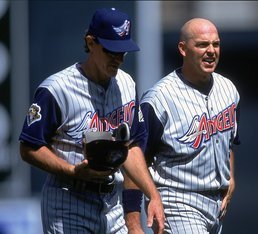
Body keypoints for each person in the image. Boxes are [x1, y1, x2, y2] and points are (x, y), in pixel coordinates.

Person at [19, 8, 164, 234]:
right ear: (91, 42)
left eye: (123, 51)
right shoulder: (57, 89)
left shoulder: (126, 85)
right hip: (68, 199)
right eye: (111, 50)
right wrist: (71, 170)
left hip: (111, 203)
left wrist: (152, 194)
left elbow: (133, 147)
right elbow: (29, 147)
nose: (118, 58)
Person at [141, 18, 241, 233]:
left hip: (217, 206)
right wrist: (135, 220)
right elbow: (136, 158)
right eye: (202, 44)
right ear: (183, 49)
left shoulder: (228, 89)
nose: (211, 51)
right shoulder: (160, 98)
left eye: (216, 44)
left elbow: (228, 142)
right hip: (177, 202)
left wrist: (231, 177)